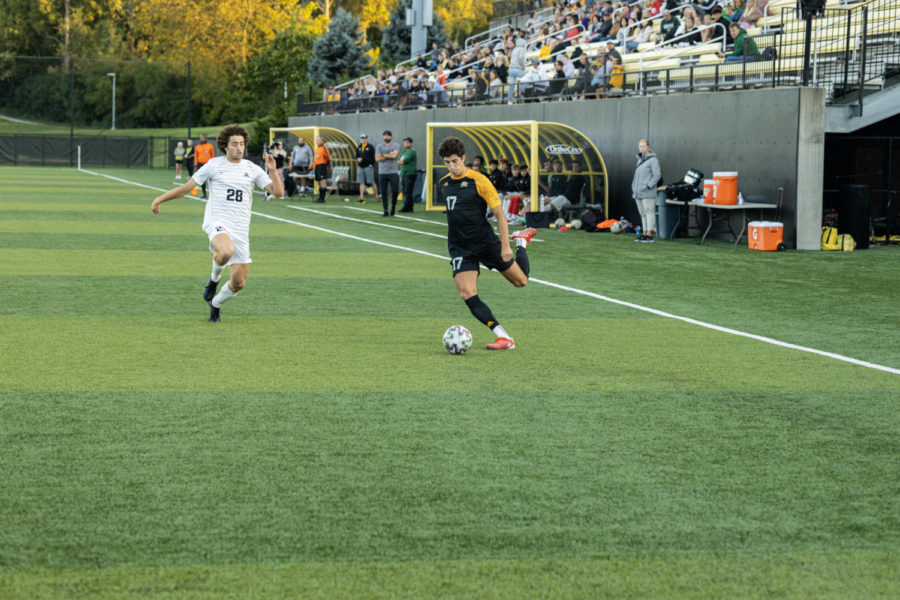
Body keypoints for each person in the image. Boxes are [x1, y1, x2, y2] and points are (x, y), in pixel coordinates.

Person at [150, 124, 284, 322]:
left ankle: (215, 304)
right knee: (225, 251)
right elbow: (186, 188)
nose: (239, 148)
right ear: (225, 146)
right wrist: (159, 199)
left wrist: (272, 171)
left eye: (242, 144)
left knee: (239, 283)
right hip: (217, 222)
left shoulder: (252, 169)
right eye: (235, 144)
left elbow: (278, 193)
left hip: (241, 230)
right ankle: (213, 280)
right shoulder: (214, 165)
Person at [437, 136, 537, 351]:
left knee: (521, 281)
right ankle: (503, 337)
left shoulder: (479, 180)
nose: (452, 166)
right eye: (447, 162)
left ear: (463, 158)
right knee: (467, 293)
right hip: (460, 247)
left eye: (455, 161)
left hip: (485, 242)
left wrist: (506, 245)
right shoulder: (443, 183)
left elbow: (499, 214)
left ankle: (521, 242)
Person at [631, 138, 661, 242]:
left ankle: (649, 234)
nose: (641, 148)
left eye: (643, 146)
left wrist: (648, 186)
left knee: (649, 212)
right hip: (637, 192)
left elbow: (657, 175)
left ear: (648, 147)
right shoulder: (639, 160)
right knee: (642, 213)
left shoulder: (653, 160)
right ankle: (644, 233)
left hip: (647, 192)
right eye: (640, 146)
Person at [376, 130, 401, 216]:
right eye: (385, 136)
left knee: (395, 191)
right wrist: (388, 155)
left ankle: (393, 207)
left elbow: (394, 156)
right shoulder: (379, 146)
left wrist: (383, 155)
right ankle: (385, 210)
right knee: (383, 192)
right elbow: (377, 158)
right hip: (382, 172)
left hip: (393, 172)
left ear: (391, 137)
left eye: (388, 136)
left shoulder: (396, 145)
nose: (386, 137)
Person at [355, 133, 377, 204]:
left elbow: (373, 157)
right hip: (361, 167)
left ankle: (377, 196)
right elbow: (357, 156)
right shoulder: (359, 146)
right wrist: (358, 159)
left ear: (366, 139)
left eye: (364, 138)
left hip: (368, 166)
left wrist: (370, 164)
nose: (363, 139)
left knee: (372, 182)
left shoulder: (370, 147)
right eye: (362, 138)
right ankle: (361, 198)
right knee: (361, 182)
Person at [397, 136, 418, 213]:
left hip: (410, 174)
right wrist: (400, 161)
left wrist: (401, 161)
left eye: (408, 142)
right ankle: (409, 207)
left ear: (411, 143)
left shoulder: (412, 151)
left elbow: (402, 161)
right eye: (405, 142)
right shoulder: (403, 152)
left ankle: (406, 207)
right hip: (403, 173)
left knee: (408, 191)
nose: (406, 144)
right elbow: (398, 160)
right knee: (404, 191)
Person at [194, 133, 216, 198]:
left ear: (206, 138)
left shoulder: (210, 146)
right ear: (200, 139)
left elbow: (213, 156)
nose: (202, 139)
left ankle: (213, 194)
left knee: (211, 179)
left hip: (209, 164)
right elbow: (196, 157)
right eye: (201, 138)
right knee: (202, 180)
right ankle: (204, 194)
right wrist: (195, 165)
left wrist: (214, 164)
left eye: (204, 137)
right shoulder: (197, 147)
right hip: (200, 164)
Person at [313, 135, 331, 204]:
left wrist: (325, 166)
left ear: (322, 140)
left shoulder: (324, 148)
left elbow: (328, 158)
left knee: (323, 182)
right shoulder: (317, 148)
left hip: (322, 166)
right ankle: (320, 197)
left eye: (319, 140)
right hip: (317, 167)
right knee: (319, 182)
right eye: (316, 140)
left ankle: (322, 198)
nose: (317, 141)